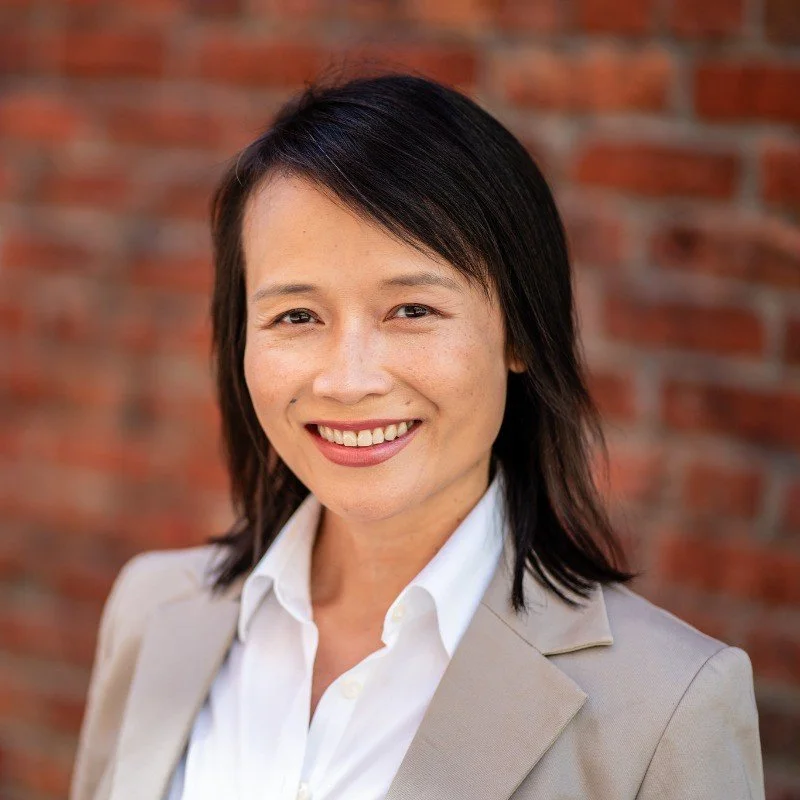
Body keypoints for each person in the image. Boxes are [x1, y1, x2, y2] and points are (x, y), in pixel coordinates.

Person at [70, 70, 765, 800]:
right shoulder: (153, 613)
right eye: (296, 317)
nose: (348, 380)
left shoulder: (667, 708)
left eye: (411, 310)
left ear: (519, 335)